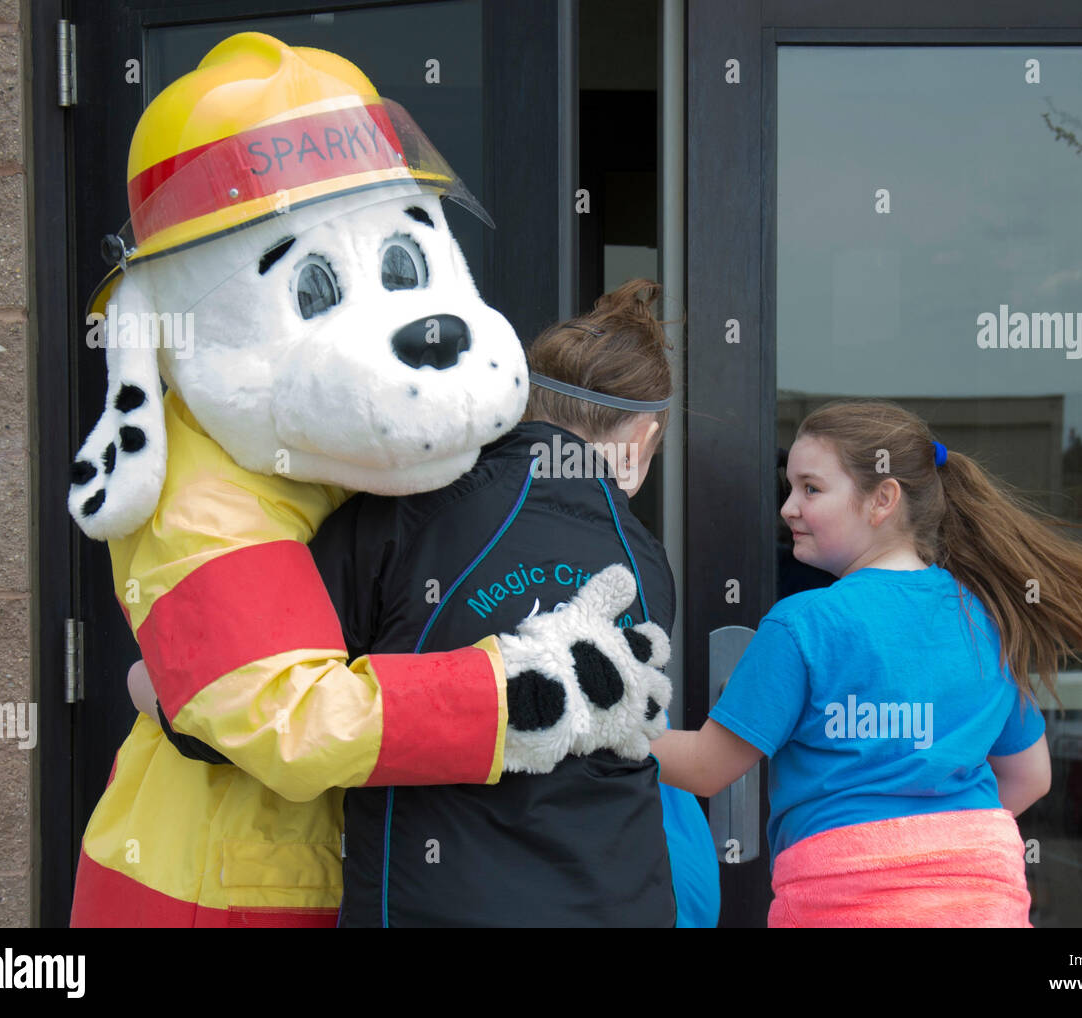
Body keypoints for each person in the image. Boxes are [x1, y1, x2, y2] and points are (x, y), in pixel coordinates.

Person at [139, 279, 720, 927]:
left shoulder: (404, 513)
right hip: (620, 902)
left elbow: (257, 707)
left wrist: (170, 697)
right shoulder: (644, 562)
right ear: (642, 438)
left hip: (438, 904)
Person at [650, 398, 1082, 927]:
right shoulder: (988, 617)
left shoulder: (803, 624)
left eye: (810, 489)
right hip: (985, 898)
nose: (788, 507)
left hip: (843, 899)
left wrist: (597, 726)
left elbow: (705, 767)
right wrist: (938, 839)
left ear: (882, 498)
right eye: (791, 488)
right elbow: (1031, 776)